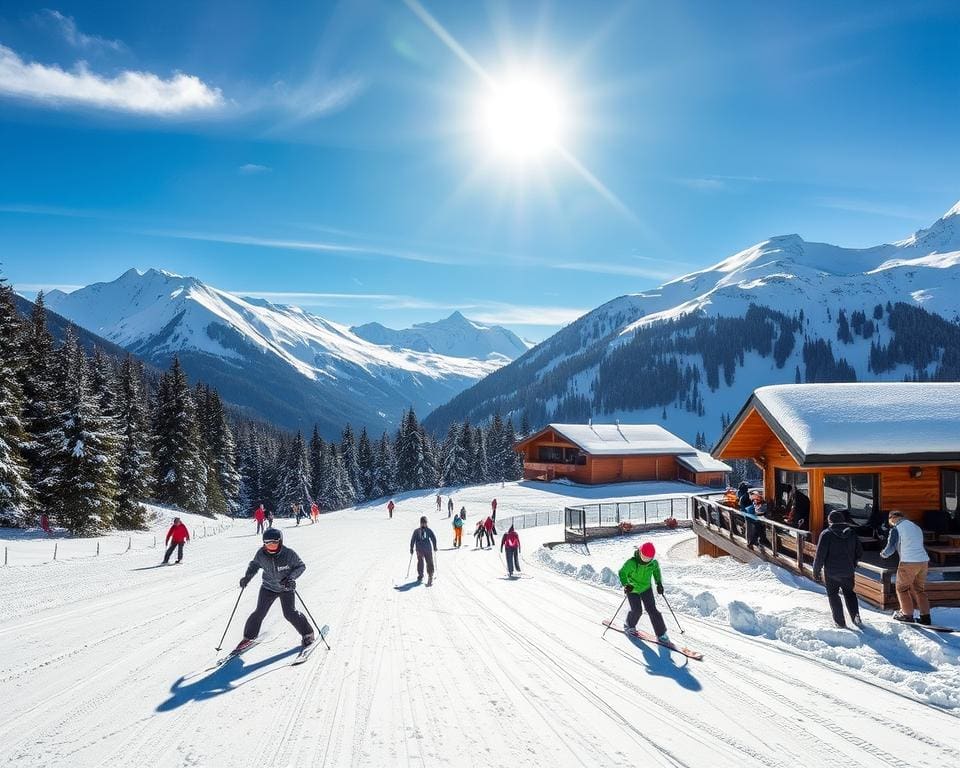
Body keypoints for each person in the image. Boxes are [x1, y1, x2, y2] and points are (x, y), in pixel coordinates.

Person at [235, 528, 315, 652]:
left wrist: (290, 578)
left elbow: (301, 566)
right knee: (259, 612)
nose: (270, 547)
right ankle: (248, 638)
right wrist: (247, 577)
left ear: (280, 542)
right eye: (267, 544)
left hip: (286, 588)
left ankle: (308, 633)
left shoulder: (288, 554)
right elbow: (254, 565)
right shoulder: (261, 554)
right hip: (268, 587)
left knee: (290, 613)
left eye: (274, 543)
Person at [813, 510, 864, 628]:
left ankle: (840, 622)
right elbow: (859, 552)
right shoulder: (851, 533)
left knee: (833, 595)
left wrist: (816, 571)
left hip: (831, 572)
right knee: (850, 594)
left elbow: (820, 555)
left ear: (830, 521)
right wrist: (852, 564)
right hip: (848, 571)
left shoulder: (826, 534)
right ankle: (856, 617)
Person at [881, 510, 931, 624]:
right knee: (919, 589)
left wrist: (883, 554)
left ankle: (906, 615)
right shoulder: (915, 527)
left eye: (890, 520)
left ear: (893, 518)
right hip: (923, 561)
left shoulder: (896, 529)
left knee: (902, 589)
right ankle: (925, 617)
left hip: (908, 562)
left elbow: (890, 548)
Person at [618, 542, 669, 642]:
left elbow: (656, 572)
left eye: (648, 558)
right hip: (633, 589)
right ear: (640, 552)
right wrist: (626, 584)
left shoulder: (653, 563)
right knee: (637, 610)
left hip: (646, 588)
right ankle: (629, 624)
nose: (646, 560)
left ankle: (661, 633)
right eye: (644, 557)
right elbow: (622, 572)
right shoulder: (631, 563)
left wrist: (659, 583)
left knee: (653, 610)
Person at [410, 516, 438, 585]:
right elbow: (413, 539)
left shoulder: (428, 530)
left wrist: (435, 546)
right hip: (419, 550)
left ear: (426, 523)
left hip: (427, 549)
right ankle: (420, 575)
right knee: (420, 562)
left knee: (429, 562)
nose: (423, 524)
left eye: (424, 523)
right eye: (422, 523)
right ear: (420, 523)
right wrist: (411, 548)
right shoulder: (416, 531)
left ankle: (430, 575)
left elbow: (433, 538)